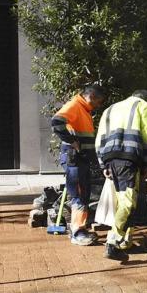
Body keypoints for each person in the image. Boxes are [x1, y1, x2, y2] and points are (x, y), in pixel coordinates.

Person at [96, 90, 147, 261]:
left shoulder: (109, 109)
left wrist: (103, 164)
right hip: (129, 159)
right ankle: (113, 242)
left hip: (110, 159)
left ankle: (125, 241)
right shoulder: (145, 106)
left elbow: (99, 138)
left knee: (121, 200)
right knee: (128, 201)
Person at [51, 85, 105, 246]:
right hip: (75, 159)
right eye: (99, 101)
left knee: (82, 194)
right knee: (79, 195)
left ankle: (80, 229)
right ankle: (78, 232)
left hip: (80, 159)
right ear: (91, 96)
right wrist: (72, 141)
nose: (99, 105)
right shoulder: (75, 105)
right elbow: (56, 121)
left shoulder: (83, 109)